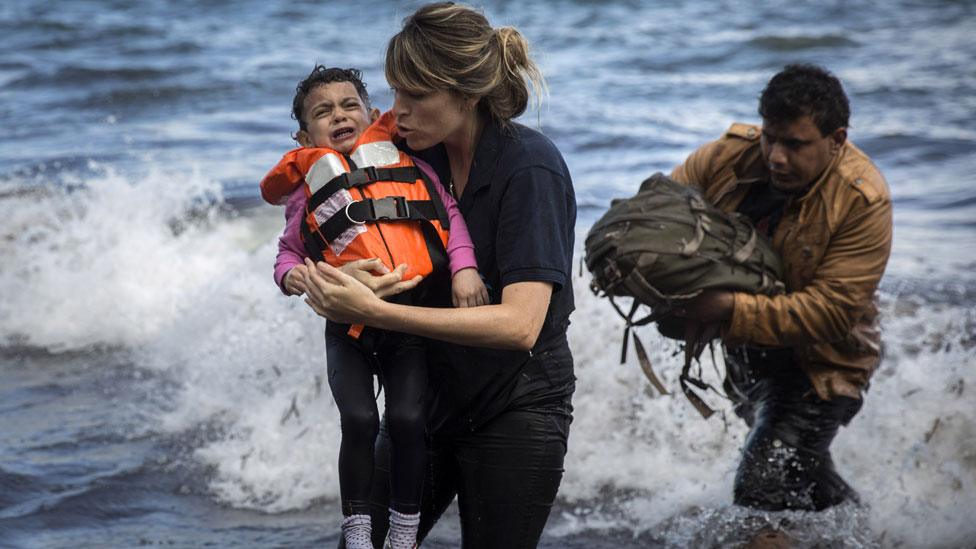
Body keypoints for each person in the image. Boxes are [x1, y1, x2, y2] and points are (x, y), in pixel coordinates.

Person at [300, 3, 577, 547]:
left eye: (416, 97)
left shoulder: (530, 168)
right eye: (394, 92)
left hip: (516, 405)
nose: (395, 112)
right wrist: (325, 281)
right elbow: (313, 217)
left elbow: (521, 324)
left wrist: (376, 312)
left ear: (467, 95)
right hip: (427, 397)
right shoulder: (401, 154)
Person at [262, 65, 488, 549]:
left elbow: (447, 216)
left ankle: (404, 529)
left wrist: (465, 268)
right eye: (323, 113)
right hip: (349, 332)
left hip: (406, 325)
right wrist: (293, 276)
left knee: (409, 420)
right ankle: (358, 527)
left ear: (371, 114)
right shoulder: (309, 192)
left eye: (349, 106)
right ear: (304, 135)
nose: (339, 116)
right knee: (360, 421)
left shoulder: (411, 167)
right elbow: (287, 251)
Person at [669, 64, 893, 515]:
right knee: (802, 477)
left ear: (837, 139)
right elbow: (660, 213)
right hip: (747, 355)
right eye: (770, 137)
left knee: (760, 487)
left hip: (824, 366)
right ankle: (871, 534)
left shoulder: (863, 199)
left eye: (795, 144)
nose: (775, 156)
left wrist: (726, 307)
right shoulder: (727, 159)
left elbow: (830, 312)